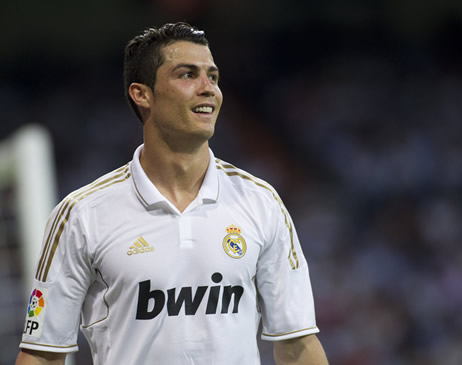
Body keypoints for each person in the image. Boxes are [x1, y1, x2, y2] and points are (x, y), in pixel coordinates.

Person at [16, 22, 329, 365]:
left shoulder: (261, 202)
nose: (208, 88)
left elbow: (298, 344)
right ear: (142, 94)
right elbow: (41, 354)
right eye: (187, 75)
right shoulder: (82, 213)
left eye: (213, 76)